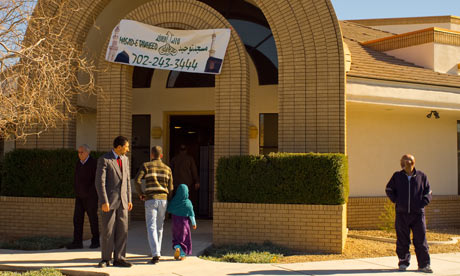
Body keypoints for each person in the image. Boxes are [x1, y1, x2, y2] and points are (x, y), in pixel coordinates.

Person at [385, 154, 433, 273]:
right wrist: (397, 201)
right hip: (402, 214)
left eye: (409, 160)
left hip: (417, 215)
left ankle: (424, 265)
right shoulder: (397, 176)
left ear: (413, 162)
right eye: (404, 160)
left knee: (420, 240)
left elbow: (428, 192)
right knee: (402, 239)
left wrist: (421, 203)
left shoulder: (422, 176)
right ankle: (403, 262)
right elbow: (389, 189)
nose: (406, 162)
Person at [95, 136, 133, 268]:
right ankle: (106, 259)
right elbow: (100, 183)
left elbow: (127, 181)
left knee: (123, 230)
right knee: (108, 231)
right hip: (109, 202)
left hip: (123, 201)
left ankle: (120, 258)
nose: (128, 149)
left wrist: (129, 199)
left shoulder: (125, 160)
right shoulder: (104, 159)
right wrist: (103, 201)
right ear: (119, 147)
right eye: (126, 146)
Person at [134, 146, 173, 264]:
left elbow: (137, 180)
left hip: (150, 199)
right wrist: (168, 199)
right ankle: (157, 251)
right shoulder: (167, 169)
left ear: (151, 155)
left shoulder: (146, 166)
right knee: (160, 226)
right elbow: (171, 187)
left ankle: (155, 253)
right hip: (163, 199)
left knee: (151, 226)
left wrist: (141, 193)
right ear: (161, 155)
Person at [66, 144, 100, 249]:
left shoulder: (94, 163)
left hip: (90, 197)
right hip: (79, 196)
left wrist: (90, 193)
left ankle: (95, 241)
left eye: (82, 152)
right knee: (77, 219)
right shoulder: (78, 163)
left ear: (87, 152)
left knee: (93, 219)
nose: (79, 154)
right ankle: (77, 242)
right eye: (78, 152)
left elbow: (96, 180)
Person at [167, 184, 197, 260]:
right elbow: (191, 214)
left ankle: (177, 247)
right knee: (184, 239)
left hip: (175, 224)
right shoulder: (188, 203)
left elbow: (169, 209)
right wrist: (194, 223)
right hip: (184, 225)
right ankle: (183, 255)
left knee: (176, 237)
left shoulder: (174, 200)